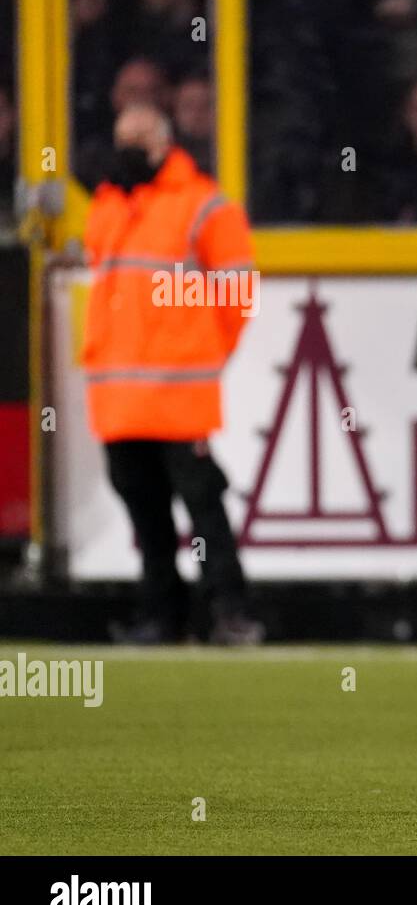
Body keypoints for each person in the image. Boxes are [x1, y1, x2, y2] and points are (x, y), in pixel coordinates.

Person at [82, 103, 263, 645]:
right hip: (118, 396)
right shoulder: (109, 205)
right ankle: (162, 616)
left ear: (166, 142)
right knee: (147, 513)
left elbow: (236, 293)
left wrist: (203, 356)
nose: (129, 149)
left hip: (178, 393)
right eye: (122, 138)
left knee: (202, 504)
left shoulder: (203, 206)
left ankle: (229, 610)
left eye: (139, 138)